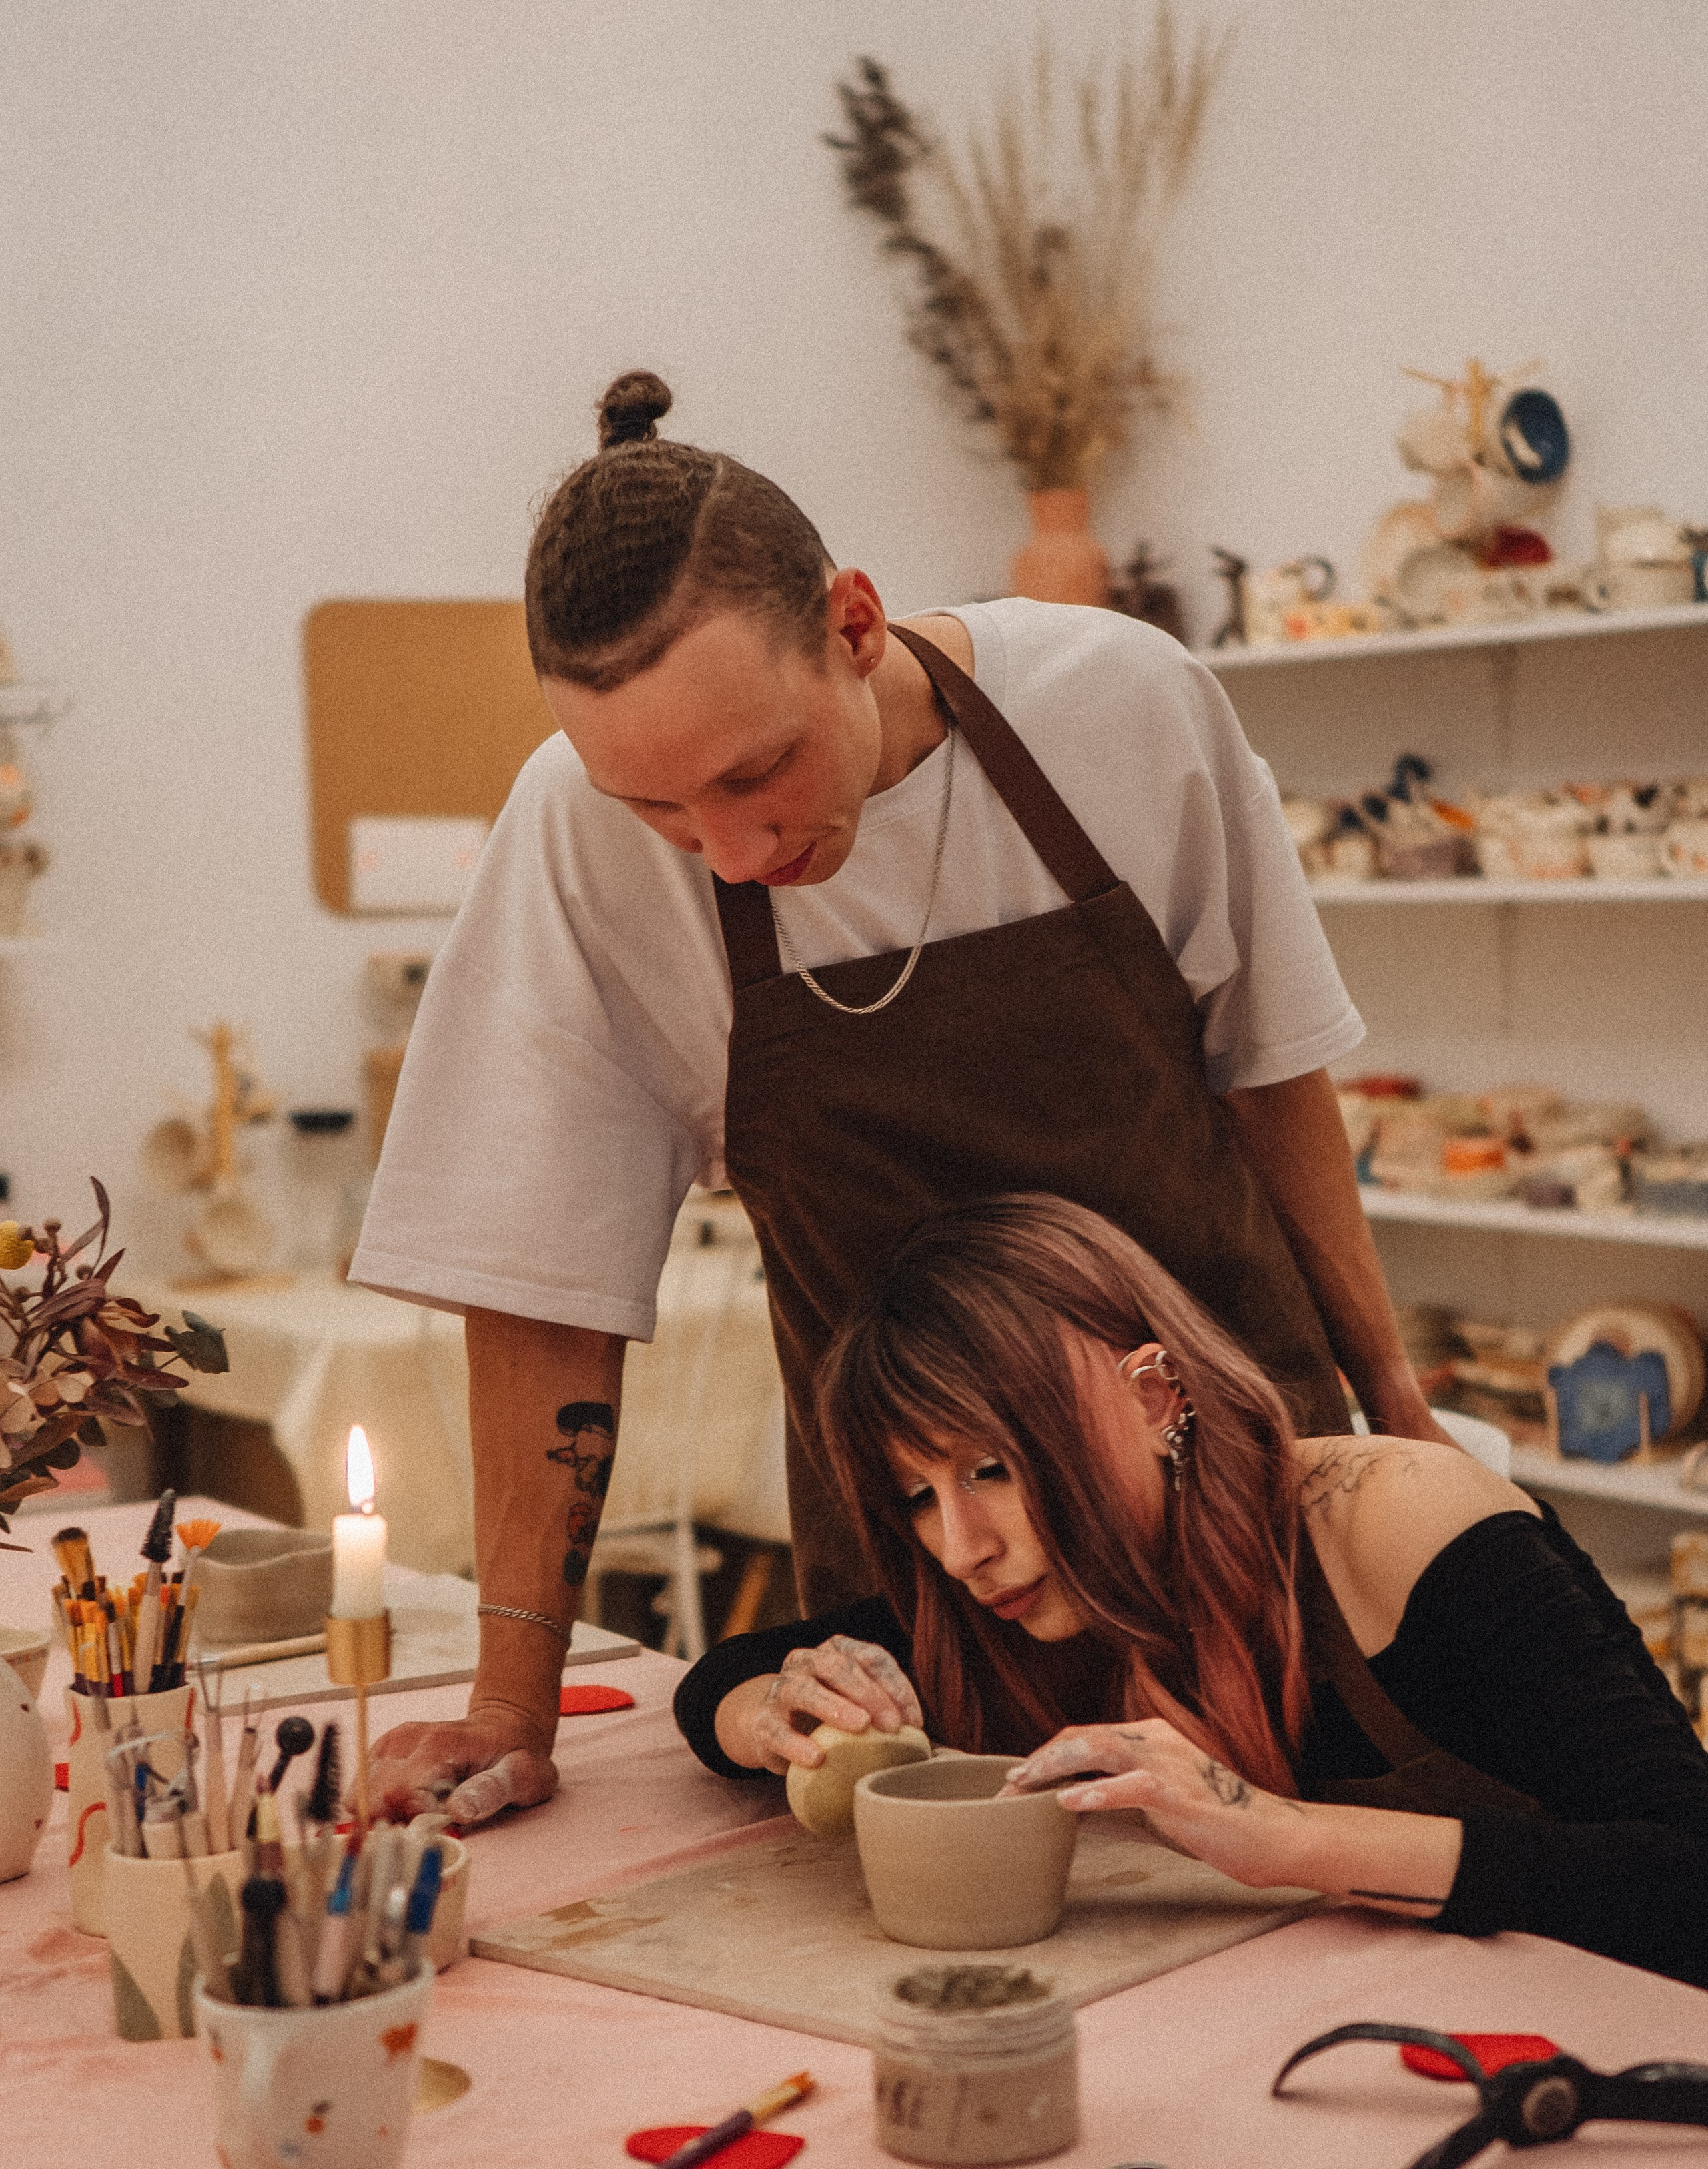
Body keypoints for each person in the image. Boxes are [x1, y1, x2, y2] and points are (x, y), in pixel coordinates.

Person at [353, 369, 1444, 1827]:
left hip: (1251, 1518)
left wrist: (1395, 1405)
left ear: (854, 626)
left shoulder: (1122, 705)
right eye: (656, 809)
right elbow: (541, 1282)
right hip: (937, 1592)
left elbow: (1271, 1077)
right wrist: (510, 1703)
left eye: (756, 773)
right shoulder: (573, 836)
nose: (729, 852)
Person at [676, 1196, 1708, 1990]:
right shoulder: (1023, 1594)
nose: (958, 1549)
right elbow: (721, 1679)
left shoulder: (1392, 1521)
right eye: (917, 1494)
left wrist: (1283, 1838)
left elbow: (1686, 1876)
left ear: (1155, 1397)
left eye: (991, 1469)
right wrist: (775, 1715)